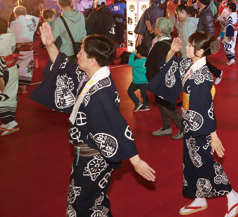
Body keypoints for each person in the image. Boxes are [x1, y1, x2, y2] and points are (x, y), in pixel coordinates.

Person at [30, 23, 155, 216]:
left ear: (93, 61)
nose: (77, 54)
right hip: (86, 156)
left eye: (81, 51)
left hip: (94, 159)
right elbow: (66, 68)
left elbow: (117, 126)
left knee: (85, 206)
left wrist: (136, 161)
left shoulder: (101, 93)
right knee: (92, 203)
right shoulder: (91, 76)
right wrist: (49, 45)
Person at [147, 34, 238, 217]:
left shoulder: (203, 77)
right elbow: (170, 67)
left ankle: (233, 196)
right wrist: (172, 51)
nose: (186, 47)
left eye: (190, 45)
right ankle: (200, 198)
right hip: (190, 123)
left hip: (202, 127)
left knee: (205, 162)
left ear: (199, 51)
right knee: (191, 162)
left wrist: (213, 137)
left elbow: (207, 109)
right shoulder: (190, 64)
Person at [146, 17, 185, 140]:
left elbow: (158, 64)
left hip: (162, 80)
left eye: (156, 26)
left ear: (161, 30)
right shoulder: (167, 41)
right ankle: (166, 127)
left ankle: (183, 128)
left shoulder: (160, 45)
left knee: (167, 104)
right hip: (164, 79)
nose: (155, 28)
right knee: (161, 102)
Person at [10, 6, 38, 94]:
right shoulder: (32, 21)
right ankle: (24, 88)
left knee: (16, 67)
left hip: (17, 48)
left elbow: (11, 36)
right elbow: (35, 18)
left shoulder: (13, 23)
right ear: (26, 13)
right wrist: (25, 15)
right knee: (27, 67)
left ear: (15, 14)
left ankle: (15, 87)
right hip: (29, 48)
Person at [52, 0, 86, 64]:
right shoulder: (80, 15)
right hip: (79, 51)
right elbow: (83, 33)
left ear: (59, 5)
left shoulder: (59, 20)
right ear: (71, 3)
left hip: (65, 52)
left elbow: (52, 38)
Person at [0, 18, 19, 136]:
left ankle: (10, 122)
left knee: (2, 96)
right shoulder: (10, 35)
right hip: (11, 69)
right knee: (10, 94)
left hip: (2, 72)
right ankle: (7, 122)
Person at [128, 43, 150, 112]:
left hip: (136, 81)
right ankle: (146, 105)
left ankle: (137, 103)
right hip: (145, 81)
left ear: (139, 54)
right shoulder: (147, 61)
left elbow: (130, 63)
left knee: (130, 91)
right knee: (144, 94)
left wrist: (132, 54)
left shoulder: (137, 62)